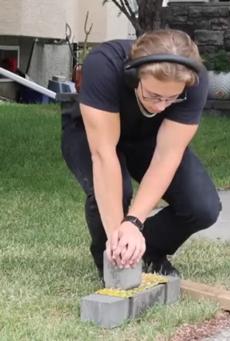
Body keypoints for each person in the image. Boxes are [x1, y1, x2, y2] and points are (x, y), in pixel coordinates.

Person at [61, 29, 221, 279]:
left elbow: (167, 156)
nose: (160, 106)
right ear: (134, 77)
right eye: (154, 95)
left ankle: (149, 250)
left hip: (149, 139)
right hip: (90, 135)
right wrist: (119, 234)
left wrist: (134, 223)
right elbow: (104, 155)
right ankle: (114, 259)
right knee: (118, 191)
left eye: (171, 99)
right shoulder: (104, 64)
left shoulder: (194, 81)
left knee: (202, 208)